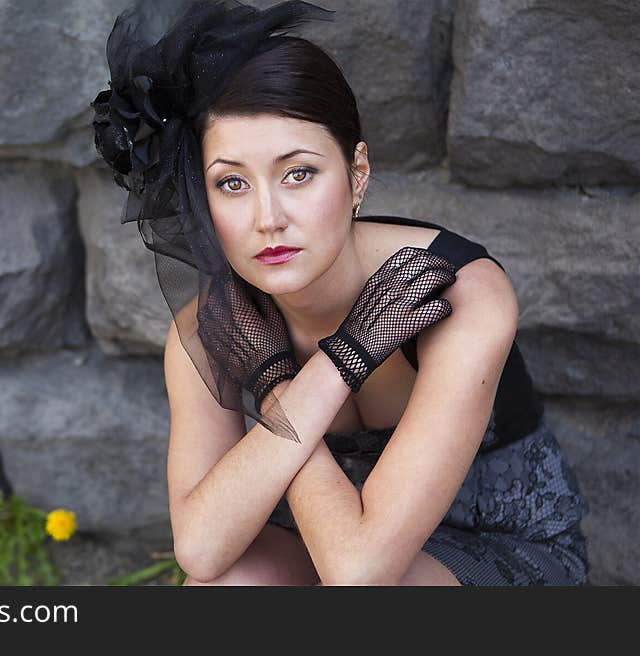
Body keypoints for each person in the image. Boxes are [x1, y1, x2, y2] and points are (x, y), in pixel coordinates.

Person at [91, 0, 591, 586]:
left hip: (489, 550)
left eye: (298, 173)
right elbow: (200, 549)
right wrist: (294, 375)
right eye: (231, 183)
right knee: (225, 585)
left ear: (357, 173)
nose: (268, 217)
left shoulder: (462, 293)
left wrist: (323, 366)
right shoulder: (217, 325)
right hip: (326, 537)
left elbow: (360, 575)